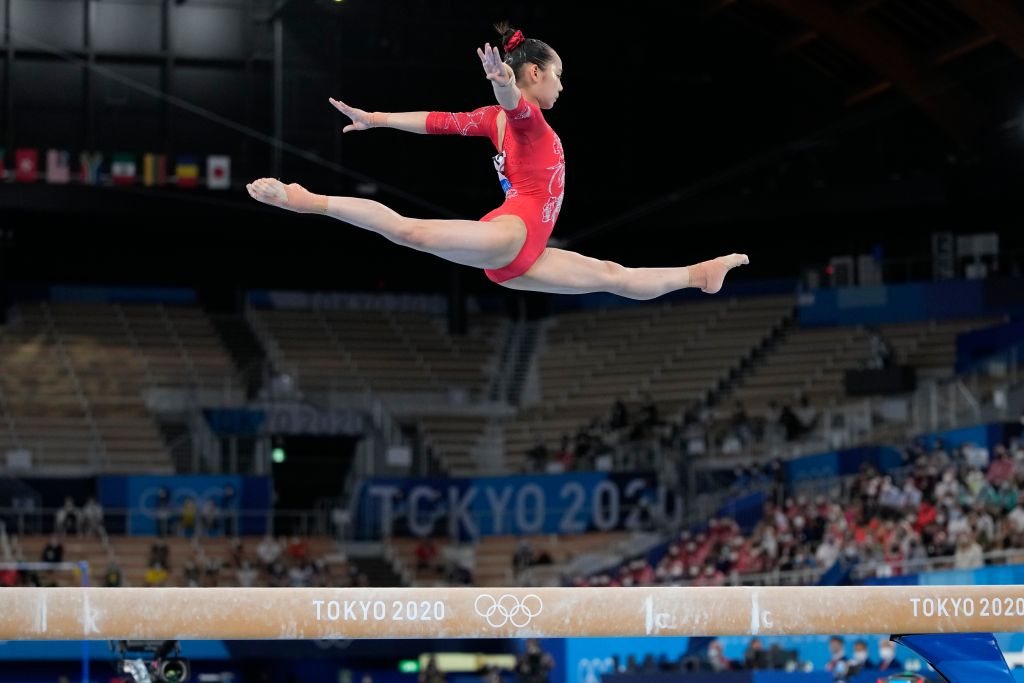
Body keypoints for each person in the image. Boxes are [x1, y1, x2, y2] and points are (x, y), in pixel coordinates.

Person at [247, 24, 747, 300]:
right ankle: (307, 200)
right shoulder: (518, 117)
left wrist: (378, 117)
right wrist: (499, 82)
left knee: (614, 277)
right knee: (410, 232)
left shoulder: (508, 117)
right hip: (512, 233)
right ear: (535, 71)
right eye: (558, 75)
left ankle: (698, 272)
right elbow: (460, 115)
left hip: (526, 248)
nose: (562, 85)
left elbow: (458, 115)